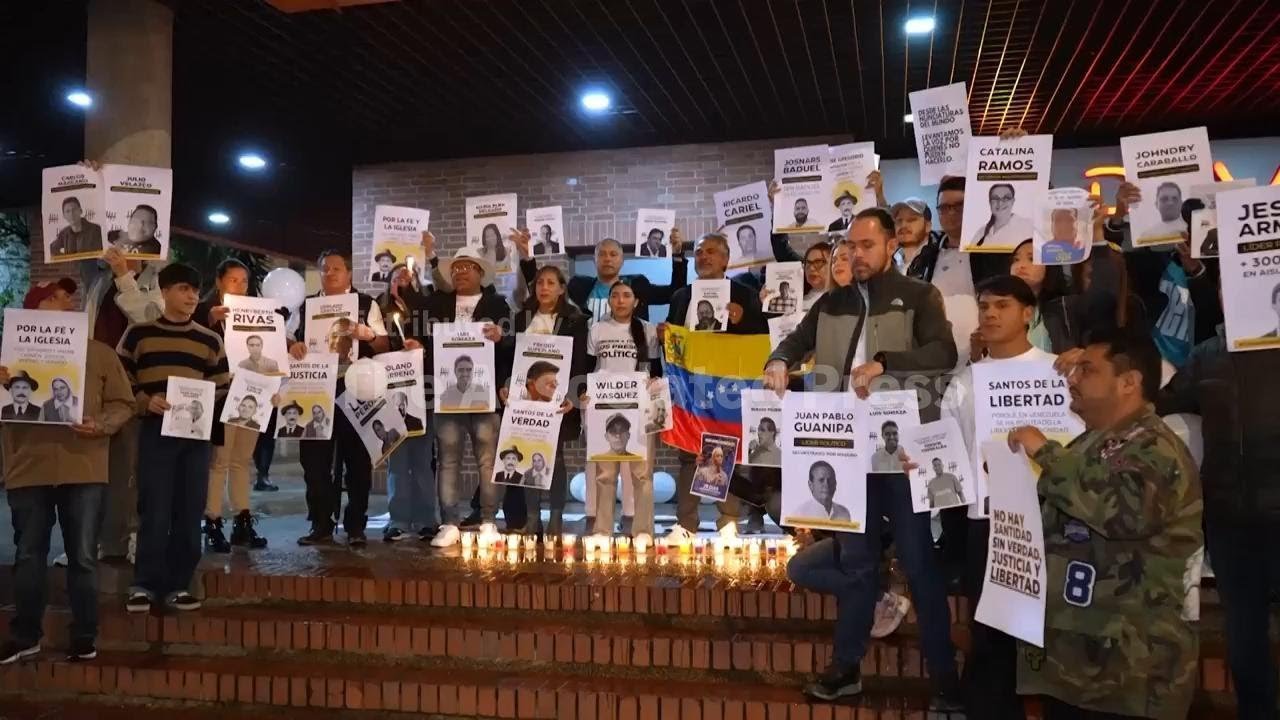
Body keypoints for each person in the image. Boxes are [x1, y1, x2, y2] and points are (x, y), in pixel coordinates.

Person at [768, 208, 961, 709]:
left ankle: (945, 679)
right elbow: (796, 340)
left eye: (867, 245)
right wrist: (779, 361)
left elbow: (944, 353)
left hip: (902, 454)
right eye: (850, 246)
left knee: (919, 565)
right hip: (845, 455)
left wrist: (886, 363)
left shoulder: (920, 296)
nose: (856, 254)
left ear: (892, 244)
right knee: (856, 565)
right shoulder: (831, 303)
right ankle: (846, 670)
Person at [1008, 330, 1201, 719]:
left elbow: (1124, 514)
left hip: (1132, 670)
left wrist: (1044, 452)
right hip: (1080, 663)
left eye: (1087, 370)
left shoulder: (1155, 447)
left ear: (1129, 382)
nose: (1073, 379)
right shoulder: (1091, 443)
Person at [1157, 295, 1280, 718]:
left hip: (1253, 514)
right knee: (1244, 634)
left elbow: (1160, 404)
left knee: (1246, 631)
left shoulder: (1218, 352)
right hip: (1231, 516)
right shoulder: (1207, 354)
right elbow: (1161, 404)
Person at [0, 278, 134, 665]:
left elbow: (124, 402)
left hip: (84, 467)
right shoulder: (8, 359)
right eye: (58, 297)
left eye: (70, 297)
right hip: (28, 467)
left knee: (83, 557)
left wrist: (103, 423)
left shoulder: (100, 353)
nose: (69, 302)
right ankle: (26, 635)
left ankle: (84, 635)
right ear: (33, 308)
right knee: (28, 556)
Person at [940, 273, 1054, 718]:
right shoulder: (968, 381)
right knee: (988, 635)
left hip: (1050, 517)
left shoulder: (1058, 369)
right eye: (985, 305)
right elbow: (948, 445)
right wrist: (925, 461)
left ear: (1029, 314)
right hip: (986, 522)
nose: (989, 313)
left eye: (1002, 305)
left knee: (1049, 634)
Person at [117, 263, 231, 614]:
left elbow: (224, 384)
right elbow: (122, 379)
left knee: (189, 507)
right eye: (184, 289)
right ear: (164, 292)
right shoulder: (138, 334)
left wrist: (202, 399)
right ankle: (144, 584)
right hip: (154, 430)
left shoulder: (210, 339)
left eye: (195, 291)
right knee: (154, 507)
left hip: (194, 434)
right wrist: (144, 401)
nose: (192, 296)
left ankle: (180, 584)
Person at [666, 232, 767, 539]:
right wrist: (665, 336)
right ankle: (686, 525)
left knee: (728, 454)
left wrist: (743, 319)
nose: (704, 257)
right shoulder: (682, 296)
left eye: (711, 252)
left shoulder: (745, 294)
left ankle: (728, 523)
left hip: (728, 389)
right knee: (688, 454)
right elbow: (674, 345)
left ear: (726, 259)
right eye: (699, 253)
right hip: (691, 388)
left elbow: (762, 338)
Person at [289, 249, 390, 547]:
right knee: (314, 462)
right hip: (314, 390)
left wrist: (367, 335)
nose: (329, 273)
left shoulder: (365, 304)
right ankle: (321, 523)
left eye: (336, 269)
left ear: (348, 274)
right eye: (324, 269)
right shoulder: (306, 306)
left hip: (356, 390)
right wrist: (293, 344)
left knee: (358, 461)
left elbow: (384, 344)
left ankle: (356, 525)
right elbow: (285, 335)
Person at [417, 246, 511, 548]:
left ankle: (488, 521)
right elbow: (424, 337)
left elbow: (511, 346)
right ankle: (449, 523)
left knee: (487, 460)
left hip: (486, 394)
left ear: (480, 273)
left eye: (467, 267)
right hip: (446, 395)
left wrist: (502, 336)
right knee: (447, 460)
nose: (459, 272)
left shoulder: (497, 303)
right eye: (456, 268)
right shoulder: (438, 303)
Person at [501, 243, 589, 536]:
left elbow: (580, 363)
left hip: (560, 401)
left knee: (557, 459)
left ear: (562, 289)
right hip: (526, 398)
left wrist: (574, 396)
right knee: (527, 455)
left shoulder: (576, 320)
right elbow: (509, 357)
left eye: (551, 283)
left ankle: (556, 517)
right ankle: (531, 517)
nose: (544, 287)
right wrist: (505, 387)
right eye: (539, 282)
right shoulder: (521, 318)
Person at [586, 280, 661, 542]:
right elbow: (588, 367)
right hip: (605, 408)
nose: (620, 300)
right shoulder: (597, 329)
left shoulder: (648, 330)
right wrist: (584, 392)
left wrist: (654, 383)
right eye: (615, 295)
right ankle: (602, 531)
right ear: (609, 301)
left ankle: (642, 531)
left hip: (640, 409)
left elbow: (656, 370)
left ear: (636, 301)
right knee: (605, 475)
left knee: (642, 475)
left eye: (626, 295)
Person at [378, 261, 439, 543]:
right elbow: (371, 346)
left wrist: (423, 348)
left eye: (409, 274)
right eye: (397, 274)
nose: (403, 277)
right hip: (389, 395)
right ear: (389, 280)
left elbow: (441, 344)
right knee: (397, 464)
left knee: (423, 461)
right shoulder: (378, 307)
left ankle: (428, 520)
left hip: (422, 395)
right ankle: (398, 519)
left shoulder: (427, 306)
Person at [522, 230, 686, 323]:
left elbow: (674, 293)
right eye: (602, 254)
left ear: (622, 261)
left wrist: (678, 255)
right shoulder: (578, 286)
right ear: (595, 260)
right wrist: (528, 258)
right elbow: (545, 293)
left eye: (613, 254)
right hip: (586, 365)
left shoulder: (637, 285)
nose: (607, 258)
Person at [971, 183, 1033, 250]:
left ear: (1013, 201)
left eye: (1006, 198)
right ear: (990, 202)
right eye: (995, 198)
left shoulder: (1027, 225)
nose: (1000, 203)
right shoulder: (981, 232)